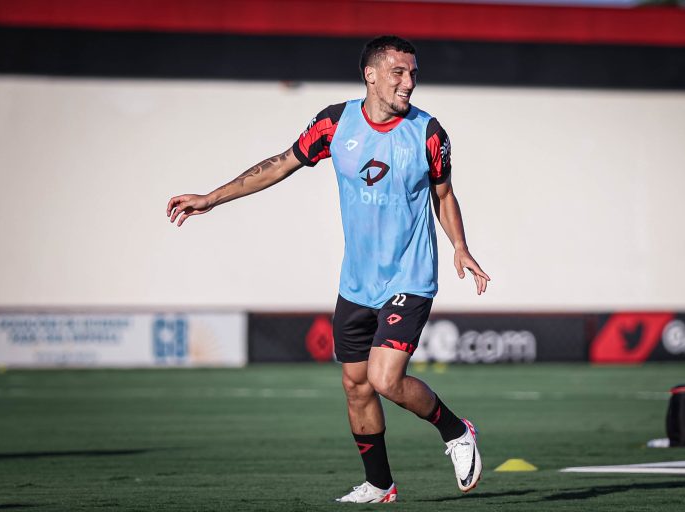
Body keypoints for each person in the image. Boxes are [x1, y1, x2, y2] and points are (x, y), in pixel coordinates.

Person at [166, 35, 490, 503]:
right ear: (371, 75)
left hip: (410, 277)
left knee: (384, 378)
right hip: (357, 283)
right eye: (399, 72)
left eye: (414, 73)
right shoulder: (334, 124)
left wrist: (460, 246)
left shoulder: (428, 132)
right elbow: (279, 164)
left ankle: (457, 431)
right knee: (356, 386)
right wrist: (211, 198)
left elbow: (444, 194)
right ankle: (380, 484)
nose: (409, 82)